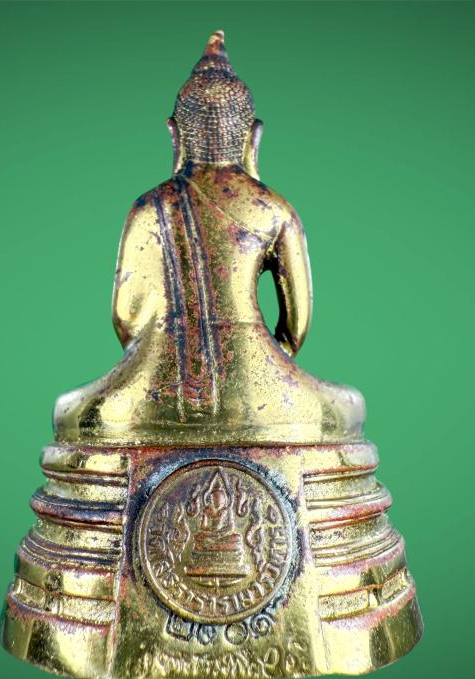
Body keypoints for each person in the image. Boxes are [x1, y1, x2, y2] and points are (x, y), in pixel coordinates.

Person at [54, 31, 365, 446]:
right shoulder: (274, 209)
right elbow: (296, 327)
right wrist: (265, 370)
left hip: (156, 378)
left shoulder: (150, 207)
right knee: (344, 407)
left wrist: (160, 358)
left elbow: (126, 318)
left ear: (175, 135)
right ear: (253, 137)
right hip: (263, 382)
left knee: (77, 411)